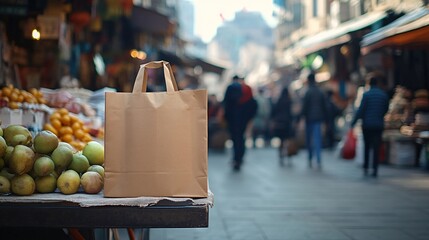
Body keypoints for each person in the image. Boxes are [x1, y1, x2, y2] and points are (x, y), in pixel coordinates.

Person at [351, 72, 389, 177]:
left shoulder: (366, 95)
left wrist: (354, 122)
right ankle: (375, 169)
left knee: (367, 146)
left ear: (368, 84)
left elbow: (361, 110)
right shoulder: (383, 95)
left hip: (367, 125)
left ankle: (366, 167)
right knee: (376, 147)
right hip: (378, 125)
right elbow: (385, 109)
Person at [223, 75, 257, 171]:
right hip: (243, 119)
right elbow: (253, 104)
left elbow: (226, 104)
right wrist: (248, 117)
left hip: (233, 119)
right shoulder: (247, 89)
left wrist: (226, 118)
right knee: (241, 138)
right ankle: (240, 157)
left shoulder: (230, 88)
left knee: (235, 139)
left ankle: (236, 158)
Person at [299, 72, 328, 168]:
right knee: (317, 139)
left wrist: (300, 118)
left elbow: (304, 107)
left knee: (309, 139)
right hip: (318, 119)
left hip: (309, 119)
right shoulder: (320, 91)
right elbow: (325, 106)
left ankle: (310, 157)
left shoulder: (308, 92)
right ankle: (318, 159)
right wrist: (325, 119)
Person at [270, 86, 293, 165]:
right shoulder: (289, 101)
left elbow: (273, 111)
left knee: (281, 141)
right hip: (287, 123)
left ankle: (281, 155)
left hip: (279, 124)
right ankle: (288, 155)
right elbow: (291, 113)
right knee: (287, 140)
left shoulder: (279, 101)